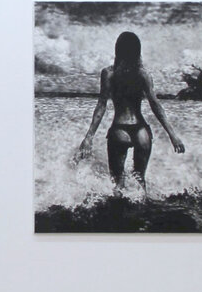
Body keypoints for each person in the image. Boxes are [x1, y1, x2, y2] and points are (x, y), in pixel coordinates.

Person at [76, 31, 184, 193]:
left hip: (119, 130)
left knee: (118, 184)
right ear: (137, 51)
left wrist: (89, 136)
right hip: (141, 131)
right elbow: (156, 106)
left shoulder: (109, 73)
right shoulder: (143, 74)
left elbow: (101, 106)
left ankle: (118, 208)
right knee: (140, 182)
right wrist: (172, 135)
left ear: (117, 49)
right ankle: (143, 208)